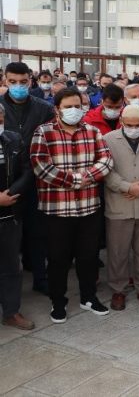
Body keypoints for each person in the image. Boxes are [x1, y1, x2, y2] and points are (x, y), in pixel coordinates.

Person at [30, 87, 114, 323]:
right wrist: (76, 180)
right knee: (58, 259)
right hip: (57, 210)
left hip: (88, 208)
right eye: (68, 106)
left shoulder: (93, 131)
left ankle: (89, 297)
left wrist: (87, 175)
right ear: (57, 109)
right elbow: (40, 166)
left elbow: (106, 160)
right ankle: (58, 302)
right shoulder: (43, 133)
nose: (74, 110)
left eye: (77, 105)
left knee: (88, 257)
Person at [0, 63, 56, 295]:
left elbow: (51, 140)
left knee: (37, 230)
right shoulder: (0, 106)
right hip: (5, 181)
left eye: (23, 81)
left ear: (30, 80)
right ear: (5, 80)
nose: (18, 86)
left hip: (36, 176)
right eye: (12, 82)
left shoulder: (43, 108)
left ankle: (40, 278)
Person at [103, 105, 139, 311]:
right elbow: (105, 169)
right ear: (121, 121)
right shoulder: (107, 140)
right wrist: (127, 187)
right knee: (118, 251)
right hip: (119, 204)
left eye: (138, 125)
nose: (134, 129)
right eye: (129, 125)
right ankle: (118, 289)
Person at [0, 104, 35, 330]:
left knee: (11, 266)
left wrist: (10, 194)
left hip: (9, 214)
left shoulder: (13, 139)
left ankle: (11, 311)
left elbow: (28, 170)